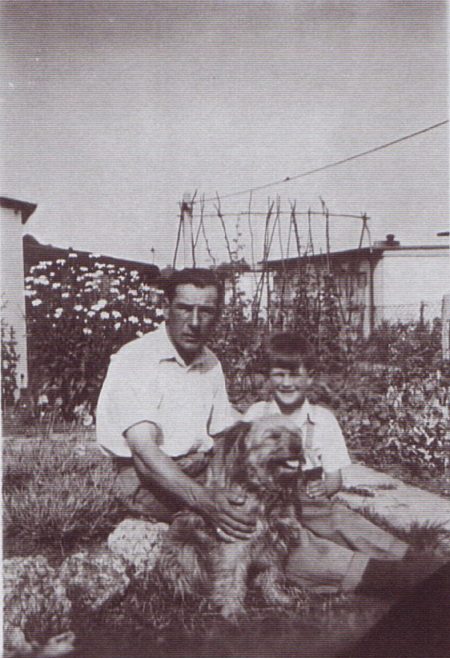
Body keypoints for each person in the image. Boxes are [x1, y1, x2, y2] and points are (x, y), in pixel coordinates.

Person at [243, 332, 445, 593]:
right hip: (268, 503)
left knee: (343, 521)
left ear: (310, 377)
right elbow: (243, 465)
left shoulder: (322, 419)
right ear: (268, 376)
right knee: (297, 542)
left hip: (310, 501)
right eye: (279, 374)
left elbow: (335, 478)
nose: (286, 383)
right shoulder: (257, 414)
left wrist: (325, 488)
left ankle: (412, 558)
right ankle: (375, 573)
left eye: (294, 375)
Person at [96, 268, 255, 541]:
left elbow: (219, 439)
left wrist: (221, 484)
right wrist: (207, 500)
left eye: (206, 311)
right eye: (184, 308)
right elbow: (145, 455)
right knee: (234, 524)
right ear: (165, 308)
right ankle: (342, 570)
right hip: (146, 479)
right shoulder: (136, 360)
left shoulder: (210, 362)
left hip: (198, 470)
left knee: (266, 498)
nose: (194, 322)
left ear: (217, 315)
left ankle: (344, 551)